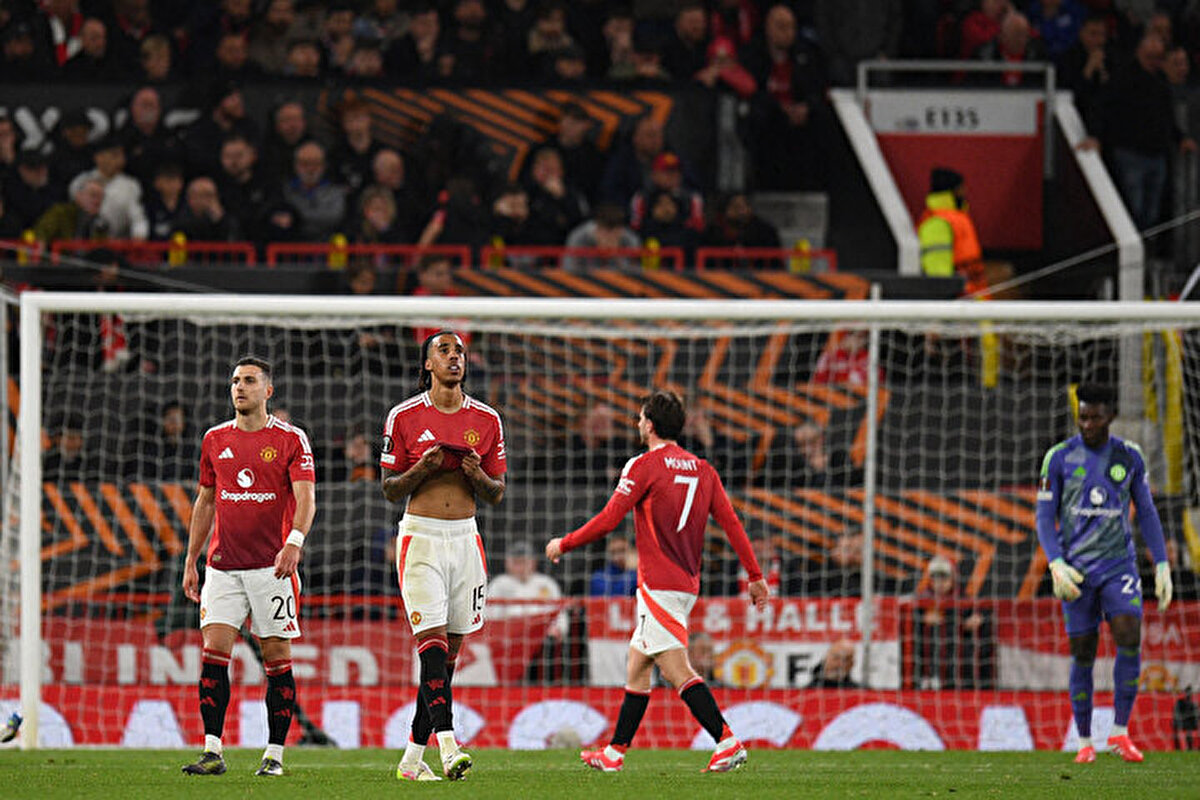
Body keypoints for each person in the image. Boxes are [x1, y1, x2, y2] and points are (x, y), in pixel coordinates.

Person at [545, 389, 769, 774]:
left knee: (676, 670)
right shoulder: (704, 469)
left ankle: (727, 740)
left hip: (658, 584)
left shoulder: (642, 465)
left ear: (649, 424)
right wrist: (755, 575)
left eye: (639, 418)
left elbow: (609, 520)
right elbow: (732, 524)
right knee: (637, 664)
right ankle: (615, 753)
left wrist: (564, 542)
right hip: (685, 583)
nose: (636, 423)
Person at [180, 356, 316, 778]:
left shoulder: (292, 439)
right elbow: (205, 501)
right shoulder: (214, 439)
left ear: (267, 391)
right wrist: (191, 559)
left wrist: (294, 543)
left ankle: (274, 754)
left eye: (250, 381)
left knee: (276, 659)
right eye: (235, 380)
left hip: (271, 569)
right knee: (213, 655)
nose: (240, 387)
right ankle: (212, 751)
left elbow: (307, 497)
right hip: (222, 568)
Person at [380, 330, 506, 782]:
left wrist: (474, 474)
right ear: (427, 364)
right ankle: (450, 746)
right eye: (445, 351)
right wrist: (423, 468)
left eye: (460, 352)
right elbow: (390, 488)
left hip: (466, 541)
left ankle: (412, 760)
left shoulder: (488, 419)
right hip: (422, 538)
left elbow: (496, 493)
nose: (455, 358)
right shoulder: (405, 416)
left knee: (447, 658)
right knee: (430, 648)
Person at [1036, 383, 1172, 764]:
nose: (1087, 423)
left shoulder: (1129, 457)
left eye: (1095, 416)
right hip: (1076, 571)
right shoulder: (1058, 458)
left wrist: (1160, 563)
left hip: (1119, 566)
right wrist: (1055, 561)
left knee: (1129, 633)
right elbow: (1044, 517)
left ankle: (1120, 732)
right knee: (1083, 652)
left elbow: (1145, 511)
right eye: (1082, 416)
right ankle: (1083, 741)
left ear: (1110, 416)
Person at [917, 167, 985, 297]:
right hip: (957, 308)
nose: (964, 192)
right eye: (961, 188)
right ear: (951, 191)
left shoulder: (959, 218)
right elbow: (938, 276)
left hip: (972, 304)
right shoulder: (937, 223)